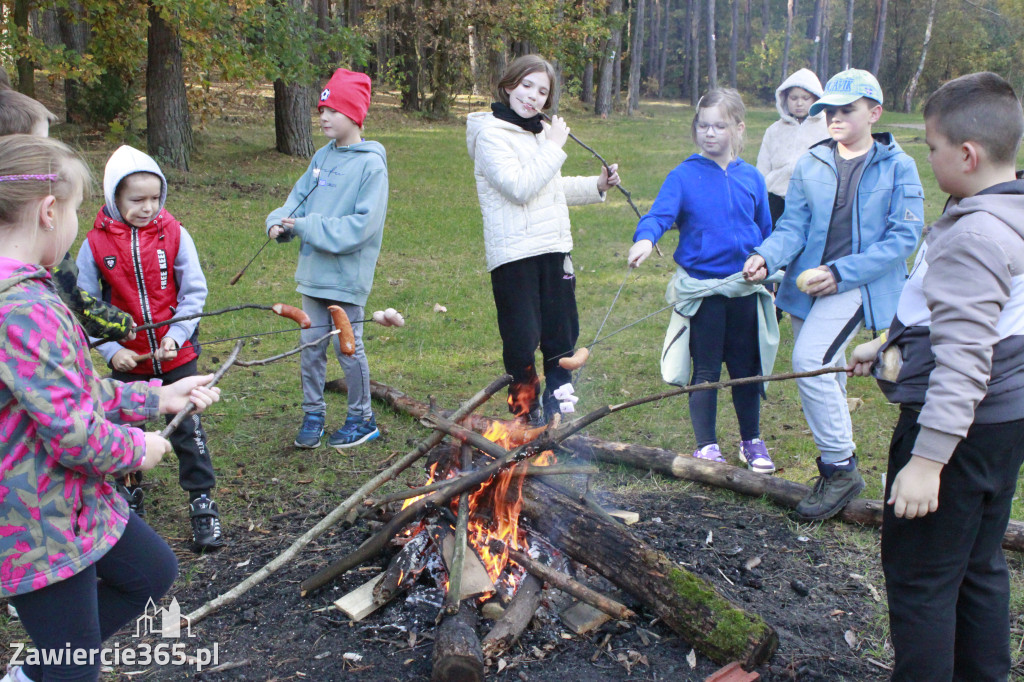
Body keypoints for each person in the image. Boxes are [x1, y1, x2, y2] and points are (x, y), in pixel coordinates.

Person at [0, 134, 221, 682]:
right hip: (34, 520)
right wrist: (139, 446)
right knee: (76, 668)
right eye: (76, 210)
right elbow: (73, 434)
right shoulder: (24, 308)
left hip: (69, 503)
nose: (78, 223)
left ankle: (39, 673)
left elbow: (69, 391)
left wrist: (156, 396)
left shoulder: (34, 293)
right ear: (50, 212)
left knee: (150, 570)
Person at [848, 72, 1024, 682]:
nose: (929, 158)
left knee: (922, 581)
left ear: (967, 155)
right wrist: (887, 341)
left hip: (955, 432)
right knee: (978, 567)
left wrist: (928, 461)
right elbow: (969, 316)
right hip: (1003, 424)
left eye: (931, 148)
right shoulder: (1003, 210)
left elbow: (967, 358)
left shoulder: (975, 234)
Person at [742, 68, 925, 520]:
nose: (834, 118)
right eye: (828, 111)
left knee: (810, 363)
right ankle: (839, 467)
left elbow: (904, 237)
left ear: (874, 112)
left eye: (846, 109)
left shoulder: (898, 165)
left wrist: (841, 273)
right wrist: (766, 256)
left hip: (860, 284)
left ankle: (840, 468)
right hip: (808, 285)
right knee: (829, 374)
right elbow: (794, 226)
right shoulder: (812, 160)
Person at [76, 144, 223, 552]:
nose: (148, 207)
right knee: (125, 431)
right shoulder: (94, 245)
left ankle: (202, 500)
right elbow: (85, 303)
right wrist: (108, 351)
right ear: (114, 199)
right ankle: (128, 495)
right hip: (129, 357)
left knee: (188, 426)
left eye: (155, 198)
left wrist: (176, 334)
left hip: (176, 353)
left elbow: (193, 291)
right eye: (137, 199)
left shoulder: (174, 232)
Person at [628, 88, 778, 473]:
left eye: (719, 126)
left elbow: (765, 230)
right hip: (704, 292)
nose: (710, 133)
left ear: (738, 128)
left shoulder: (752, 178)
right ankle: (706, 446)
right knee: (707, 370)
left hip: (743, 289)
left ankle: (751, 441)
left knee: (747, 369)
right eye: (703, 126)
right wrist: (646, 239)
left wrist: (767, 267)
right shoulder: (684, 175)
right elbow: (660, 215)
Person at [466, 54, 620, 425]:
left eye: (542, 91)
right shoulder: (490, 135)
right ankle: (524, 416)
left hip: (554, 248)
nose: (532, 97)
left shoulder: (537, 134)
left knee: (560, 333)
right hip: (515, 255)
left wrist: (596, 185)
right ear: (508, 85)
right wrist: (553, 146)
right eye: (526, 86)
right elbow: (520, 187)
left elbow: (548, 188)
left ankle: (556, 413)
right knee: (522, 340)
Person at [266, 68, 388, 451]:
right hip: (313, 274)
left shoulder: (371, 165)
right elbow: (296, 200)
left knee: (348, 348)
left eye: (333, 109)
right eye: (322, 110)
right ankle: (313, 414)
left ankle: (361, 418)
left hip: (346, 277)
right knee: (310, 346)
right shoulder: (321, 157)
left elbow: (360, 227)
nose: (324, 117)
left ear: (355, 115)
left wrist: (307, 225)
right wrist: (279, 223)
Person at [0, 88, 133, 343]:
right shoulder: (34, 307)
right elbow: (74, 301)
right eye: (41, 144)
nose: (52, 150)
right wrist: (119, 323)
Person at [756, 68, 829, 229]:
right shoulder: (774, 130)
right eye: (793, 98)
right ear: (784, 98)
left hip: (811, 201)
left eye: (805, 98)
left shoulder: (827, 128)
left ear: (816, 98)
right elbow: (762, 168)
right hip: (776, 200)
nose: (799, 103)